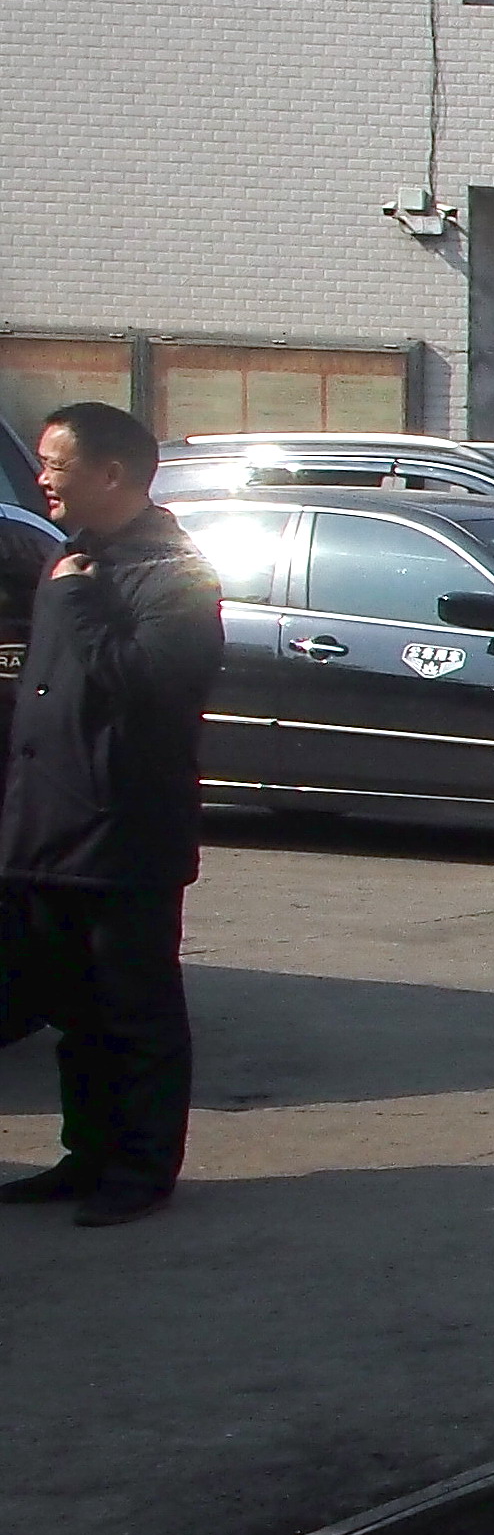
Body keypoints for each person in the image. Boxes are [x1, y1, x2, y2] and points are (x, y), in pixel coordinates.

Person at [0, 401, 223, 1228]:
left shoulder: (175, 574)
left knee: (135, 1010)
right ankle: (85, 1154)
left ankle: (140, 1169)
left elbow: (151, 687)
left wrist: (73, 607)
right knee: (73, 1013)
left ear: (113, 473)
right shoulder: (75, 558)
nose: (41, 477)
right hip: (46, 832)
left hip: (122, 831)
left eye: (56, 463)